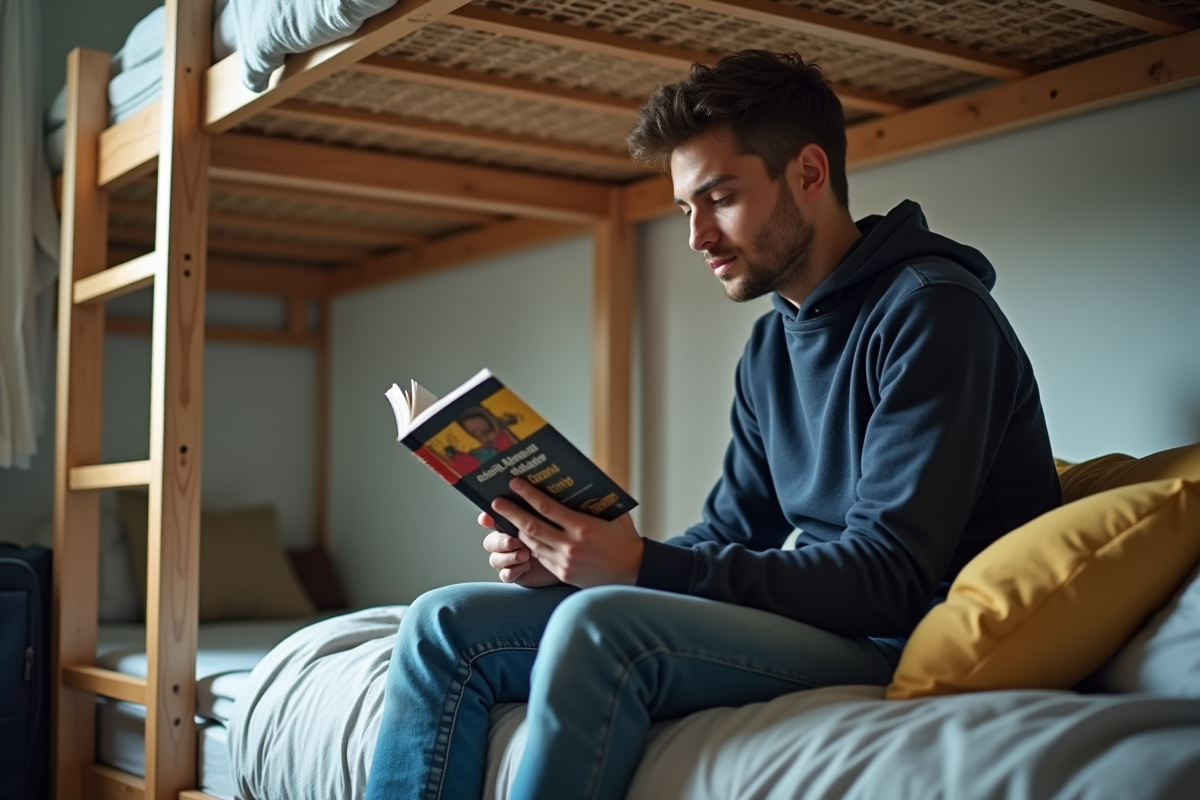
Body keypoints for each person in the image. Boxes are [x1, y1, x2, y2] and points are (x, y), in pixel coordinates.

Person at [365, 50, 1061, 800]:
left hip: (909, 634)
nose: (697, 236)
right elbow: (733, 532)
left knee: (599, 628)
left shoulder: (934, 313)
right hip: (828, 621)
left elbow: (888, 578)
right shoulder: (772, 341)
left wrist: (635, 573)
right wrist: (576, 556)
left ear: (809, 174)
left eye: (720, 198)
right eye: (686, 208)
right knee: (443, 623)